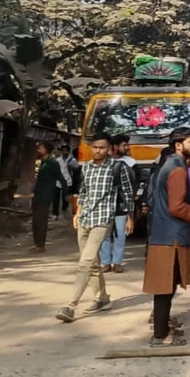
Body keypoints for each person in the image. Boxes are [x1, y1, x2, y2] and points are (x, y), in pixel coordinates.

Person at [56, 134, 136, 323]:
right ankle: (102, 298)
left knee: (85, 262)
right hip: (85, 218)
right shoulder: (86, 168)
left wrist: (129, 217)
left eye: (102, 147)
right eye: (95, 147)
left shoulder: (118, 167)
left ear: (109, 149)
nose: (98, 150)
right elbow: (83, 192)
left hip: (103, 219)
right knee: (91, 263)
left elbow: (128, 192)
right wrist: (77, 213)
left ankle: (70, 305)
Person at [143, 127, 190, 347]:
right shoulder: (177, 169)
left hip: (163, 234)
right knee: (165, 288)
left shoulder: (172, 165)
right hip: (170, 238)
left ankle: (161, 332)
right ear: (178, 145)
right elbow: (177, 207)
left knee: (165, 288)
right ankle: (160, 336)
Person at [101, 134, 136, 272]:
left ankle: (117, 262)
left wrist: (130, 212)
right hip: (103, 207)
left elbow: (128, 190)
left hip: (120, 206)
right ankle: (105, 262)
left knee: (120, 235)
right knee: (104, 235)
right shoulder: (97, 166)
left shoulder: (123, 165)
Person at [32, 141, 67, 253]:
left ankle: (40, 245)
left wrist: (65, 194)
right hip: (38, 194)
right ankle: (37, 243)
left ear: (46, 150)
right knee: (35, 220)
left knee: (41, 220)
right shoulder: (42, 162)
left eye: (40, 148)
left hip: (46, 195)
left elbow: (61, 178)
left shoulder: (52, 163)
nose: (38, 150)